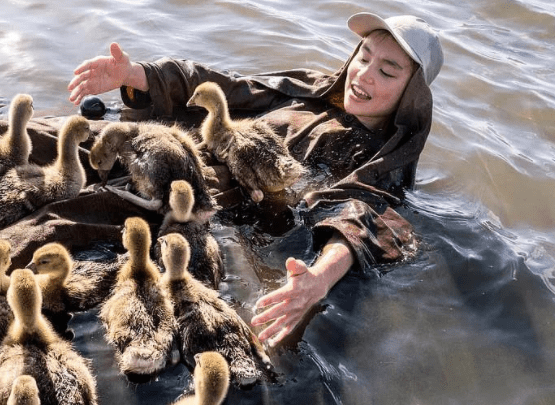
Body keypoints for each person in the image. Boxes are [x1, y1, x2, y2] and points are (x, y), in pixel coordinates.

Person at [68, 12, 444, 347]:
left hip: (202, 196)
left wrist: (319, 278)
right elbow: (228, 88)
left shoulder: (382, 161)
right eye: (363, 56)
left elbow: (368, 216)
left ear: (410, 95)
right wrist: (137, 75)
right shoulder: (308, 89)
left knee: (68, 215)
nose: (363, 73)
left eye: (387, 71)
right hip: (167, 151)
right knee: (52, 138)